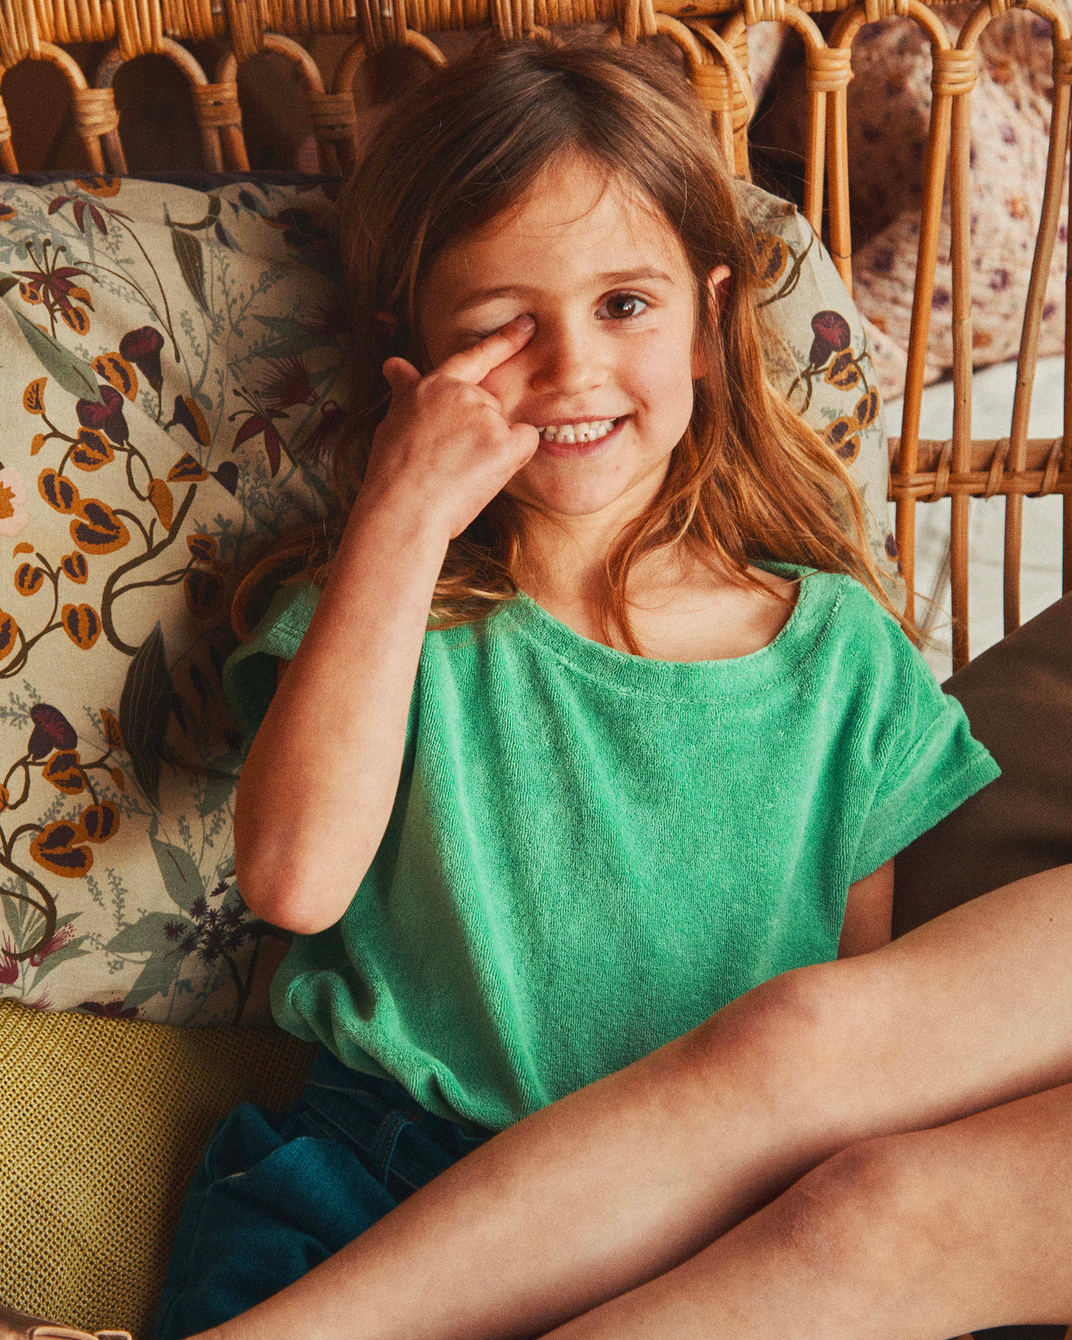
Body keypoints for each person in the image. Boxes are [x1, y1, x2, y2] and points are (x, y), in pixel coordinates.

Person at [153, 38, 1011, 1339]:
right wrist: (403, 509)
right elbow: (293, 883)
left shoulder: (844, 662)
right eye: (502, 321)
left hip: (701, 1223)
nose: (568, 368)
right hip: (376, 1182)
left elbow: (856, 1035)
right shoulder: (398, 621)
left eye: (624, 305)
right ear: (411, 354)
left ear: (713, 327)